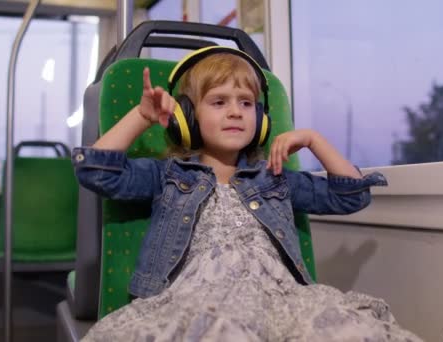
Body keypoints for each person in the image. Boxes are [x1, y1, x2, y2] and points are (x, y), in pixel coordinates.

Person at [73, 47, 423, 342]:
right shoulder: (169, 176)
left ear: (262, 118)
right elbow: (97, 171)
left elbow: (351, 197)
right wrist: (141, 116)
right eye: (219, 101)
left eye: (246, 102)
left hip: (282, 301)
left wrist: (315, 141)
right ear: (189, 117)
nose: (235, 111)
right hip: (195, 301)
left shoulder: (275, 180)